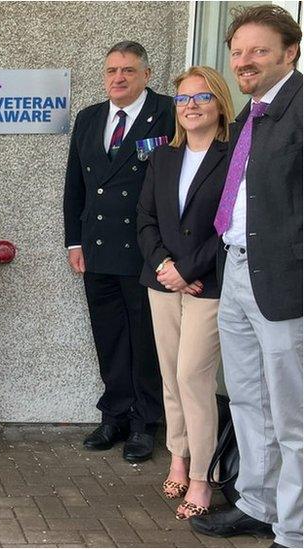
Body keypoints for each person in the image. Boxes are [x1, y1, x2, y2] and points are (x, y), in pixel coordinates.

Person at [191, 6, 302, 547]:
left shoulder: (301, 110)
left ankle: (295, 528)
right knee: (248, 399)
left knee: (292, 414)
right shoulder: (255, 113)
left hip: (283, 283)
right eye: (237, 52)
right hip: (235, 271)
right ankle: (257, 503)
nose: (245, 61)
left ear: (290, 52)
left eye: (258, 50)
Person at [63, 41, 175, 462]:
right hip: (97, 249)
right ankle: (115, 415)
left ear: (146, 75)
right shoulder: (90, 118)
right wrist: (74, 241)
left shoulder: (167, 112)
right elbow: (75, 185)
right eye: (111, 70)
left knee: (145, 339)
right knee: (109, 336)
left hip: (147, 250)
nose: (118, 78)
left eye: (128, 70)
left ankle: (146, 422)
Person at [136, 66, 235, 520]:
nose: (191, 106)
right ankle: (178, 456)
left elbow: (228, 224)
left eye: (201, 98)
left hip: (207, 285)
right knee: (171, 376)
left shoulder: (235, 156)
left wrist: (188, 271)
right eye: (182, 99)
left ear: (219, 104)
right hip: (162, 281)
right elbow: (145, 220)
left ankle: (203, 476)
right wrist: (164, 266)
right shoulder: (163, 158)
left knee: (194, 377)